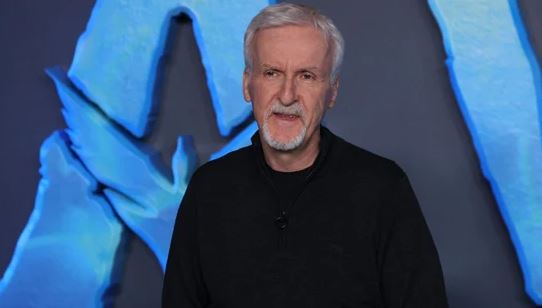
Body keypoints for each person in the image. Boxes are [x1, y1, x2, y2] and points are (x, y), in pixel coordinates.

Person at [162, 3, 448, 307]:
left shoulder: (383, 189)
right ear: (248, 85)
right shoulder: (208, 190)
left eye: (307, 76)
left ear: (332, 92)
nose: (287, 96)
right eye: (272, 73)